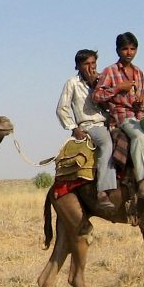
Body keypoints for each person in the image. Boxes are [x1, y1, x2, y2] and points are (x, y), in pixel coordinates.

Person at [92, 32, 144, 199]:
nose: (129, 52)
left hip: (140, 115)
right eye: (125, 49)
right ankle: (142, 182)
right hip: (122, 116)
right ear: (117, 50)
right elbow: (97, 96)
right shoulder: (110, 71)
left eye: (132, 49)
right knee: (139, 136)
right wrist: (118, 89)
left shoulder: (138, 72)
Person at [56, 49, 117, 213]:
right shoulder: (72, 83)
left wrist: (98, 85)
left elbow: (111, 103)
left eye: (93, 63)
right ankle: (103, 191)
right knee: (107, 144)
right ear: (78, 66)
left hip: (109, 122)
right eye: (86, 64)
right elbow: (62, 108)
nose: (91, 67)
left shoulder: (102, 80)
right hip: (90, 125)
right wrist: (74, 128)